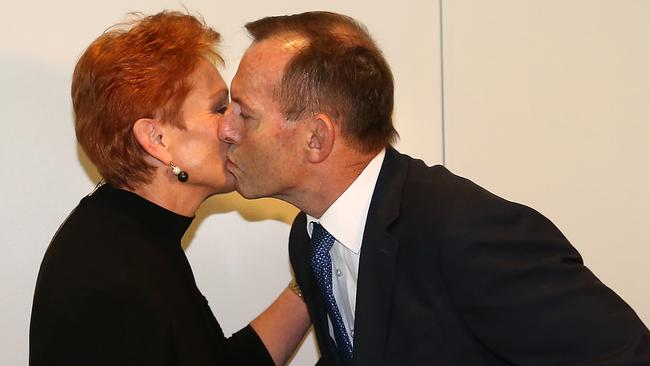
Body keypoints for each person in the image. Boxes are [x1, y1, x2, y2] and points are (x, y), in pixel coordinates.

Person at [218, 11, 650, 366]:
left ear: (317, 138)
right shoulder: (310, 238)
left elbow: (625, 355)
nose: (225, 129)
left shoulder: (462, 231)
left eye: (245, 114)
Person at [29, 11, 309, 366]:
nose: (234, 127)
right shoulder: (117, 280)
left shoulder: (129, 238)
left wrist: (312, 279)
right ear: (156, 139)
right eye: (220, 108)